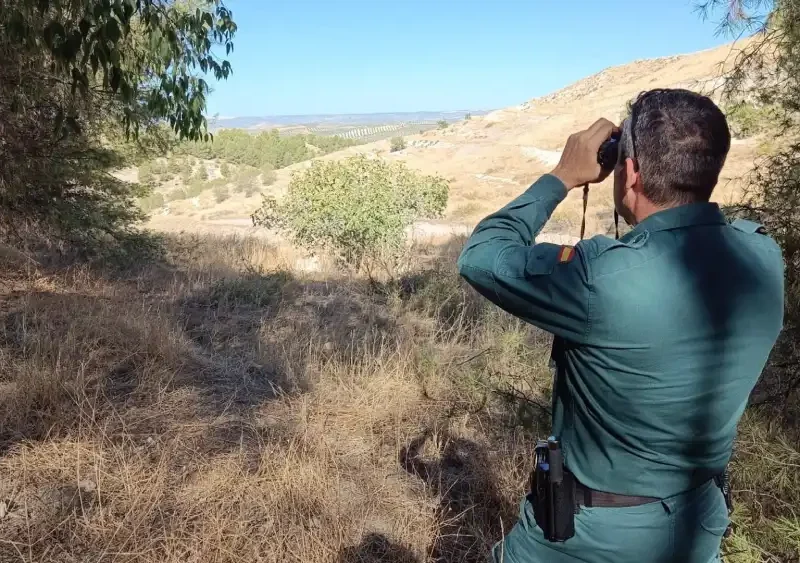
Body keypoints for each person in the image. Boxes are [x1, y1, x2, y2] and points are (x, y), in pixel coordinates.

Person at [457, 88, 784, 563]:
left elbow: (481, 258)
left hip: (589, 540)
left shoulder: (601, 278)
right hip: (697, 525)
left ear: (629, 172)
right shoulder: (763, 256)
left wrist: (561, 177)